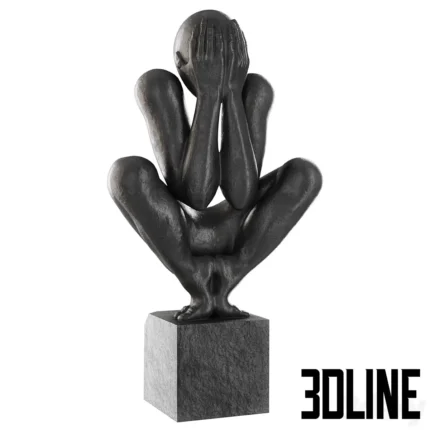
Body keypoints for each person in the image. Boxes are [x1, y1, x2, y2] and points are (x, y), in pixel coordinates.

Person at [108, 10, 322, 321]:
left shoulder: (255, 90)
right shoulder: (156, 87)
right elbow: (196, 196)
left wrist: (232, 95)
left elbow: (242, 196)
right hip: (178, 232)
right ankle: (194, 279)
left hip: (241, 232)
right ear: (181, 62)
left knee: (305, 174)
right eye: (206, 56)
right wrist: (208, 96)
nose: (217, 67)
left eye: (226, 57)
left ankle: (231, 273)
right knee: (125, 174)